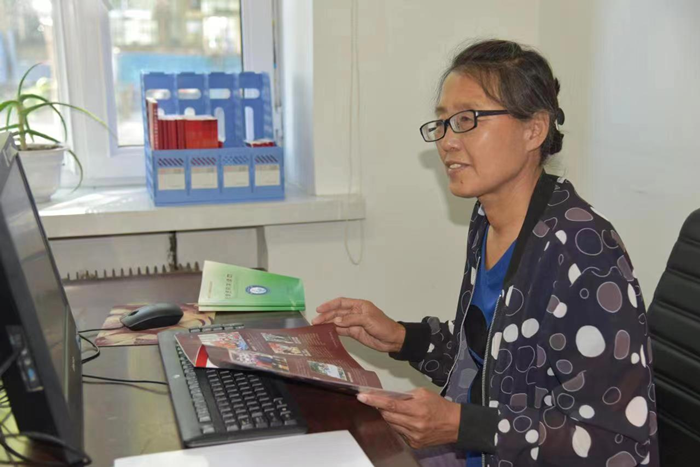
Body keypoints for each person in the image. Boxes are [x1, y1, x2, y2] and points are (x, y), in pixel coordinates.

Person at [312, 40, 659, 466]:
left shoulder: (583, 253)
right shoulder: (488, 218)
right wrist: (401, 337)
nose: (447, 142)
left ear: (534, 130)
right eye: (443, 122)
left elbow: (614, 443)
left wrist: (462, 427)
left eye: (467, 120)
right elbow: (492, 366)